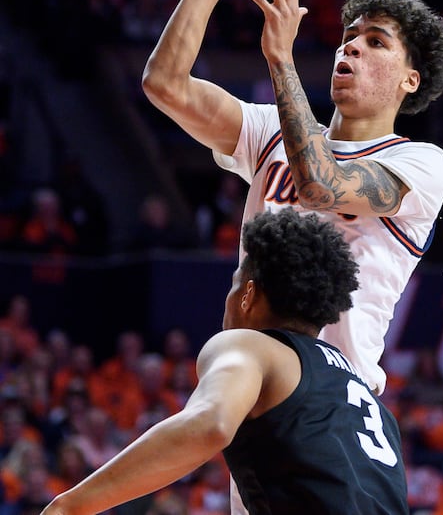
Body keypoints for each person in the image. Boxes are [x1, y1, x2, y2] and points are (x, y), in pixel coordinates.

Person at [142, 0, 443, 396]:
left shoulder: (419, 163)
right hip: (253, 389)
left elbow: (320, 184)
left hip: (334, 398)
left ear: (409, 80)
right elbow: (164, 83)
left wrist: (281, 59)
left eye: (375, 43)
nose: (350, 48)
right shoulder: (272, 131)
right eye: (348, 37)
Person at [40, 208, 408, 515]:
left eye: (234, 283)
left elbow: (210, 424)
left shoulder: (250, 346)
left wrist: (72, 505)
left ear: (248, 293)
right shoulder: (362, 394)